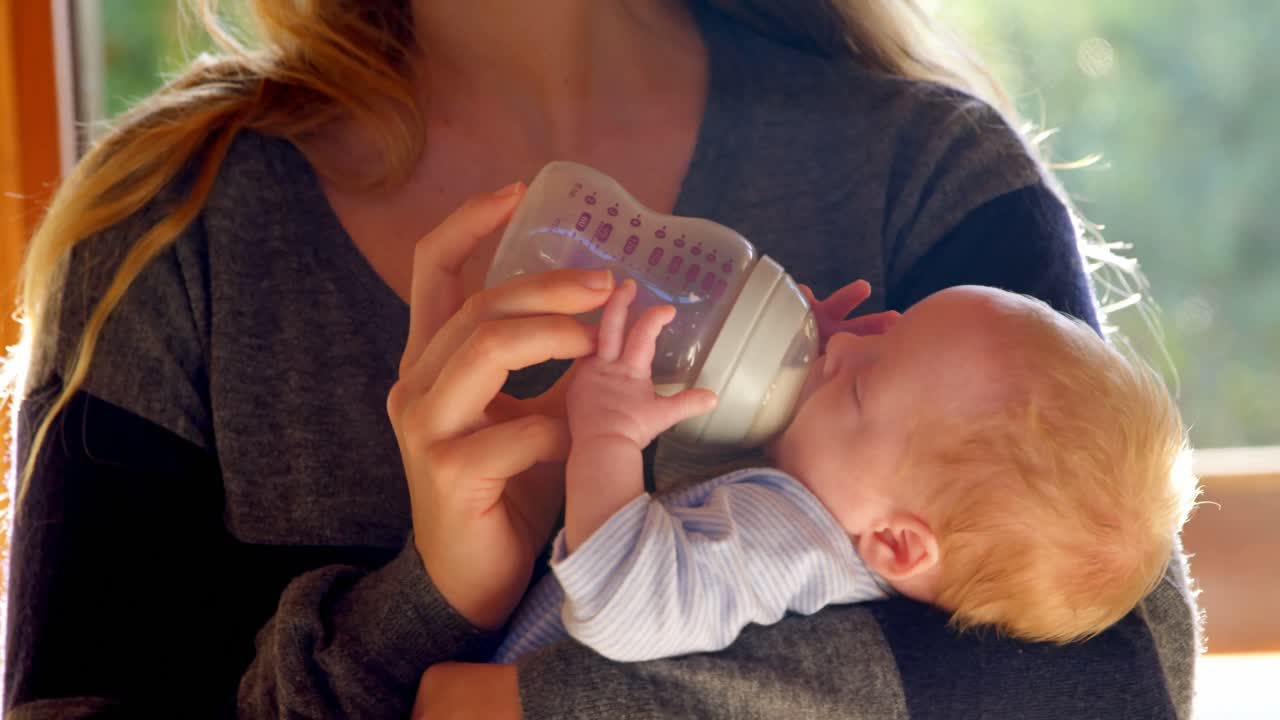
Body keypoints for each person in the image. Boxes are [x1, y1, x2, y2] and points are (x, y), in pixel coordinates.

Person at [3, 1, 1199, 718]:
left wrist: (532, 706)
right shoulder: (174, 230)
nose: (857, 347)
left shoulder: (922, 172)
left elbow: (1121, 666)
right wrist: (429, 600)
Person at [490, 278, 1197, 665]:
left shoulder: (793, 544)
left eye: (862, 385)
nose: (847, 349)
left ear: (894, 544)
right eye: (886, 335)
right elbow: (695, 507)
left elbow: (624, 601)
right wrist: (795, 380)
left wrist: (608, 432)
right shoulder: (824, 512)